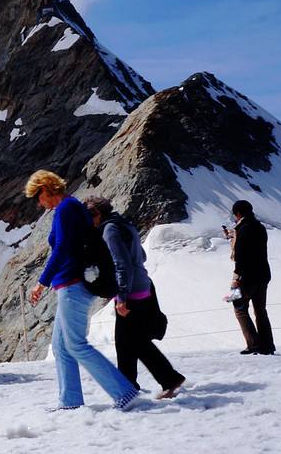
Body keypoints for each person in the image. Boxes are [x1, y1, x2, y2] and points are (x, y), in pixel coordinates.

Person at [25, 170, 138, 411]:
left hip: (72, 283)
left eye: (37, 196)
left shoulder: (66, 208)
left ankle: (124, 391)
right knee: (61, 346)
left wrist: (41, 282)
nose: (38, 203)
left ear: (45, 189)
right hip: (71, 283)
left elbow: (63, 248)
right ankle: (70, 402)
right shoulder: (70, 207)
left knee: (75, 344)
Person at [84, 197, 185, 399]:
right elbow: (141, 257)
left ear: (97, 214)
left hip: (131, 293)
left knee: (135, 342)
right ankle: (129, 386)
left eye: (89, 217)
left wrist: (121, 296)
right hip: (141, 286)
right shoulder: (124, 224)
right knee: (126, 342)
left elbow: (122, 264)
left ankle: (168, 379)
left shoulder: (109, 230)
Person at [227, 200, 275, 355]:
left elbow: (241, 255)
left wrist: (237, 277)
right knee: (260, 310)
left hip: (246, 276)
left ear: (238, 213)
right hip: (263, 274)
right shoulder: (259, 227)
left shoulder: (242, 229)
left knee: (238, 306)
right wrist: (233, 237)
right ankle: (267, 345)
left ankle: (253, 344)